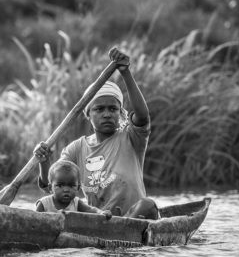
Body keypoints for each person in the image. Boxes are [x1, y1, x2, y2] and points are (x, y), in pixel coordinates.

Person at [34, 48, 160, 219]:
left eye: (113, 109)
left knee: (148, 205)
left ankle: (127, 228)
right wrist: (44, 162)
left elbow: (143, 117)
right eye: (99, 109)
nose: (107, 114)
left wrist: (125, 72)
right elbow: (51, 184)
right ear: (88, 114)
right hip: (100, 219)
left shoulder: (130, 137)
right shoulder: (76, 149)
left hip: (133, 216)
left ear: (120, 113)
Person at [35, 159, 112, 216]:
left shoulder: (76, 203)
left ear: (78, 188)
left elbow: (91, 209)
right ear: (50, 188)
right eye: (60, 185)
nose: (66, 189)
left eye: (71, 186)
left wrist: (101, 212)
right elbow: (34, 220)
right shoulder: (44, 204)